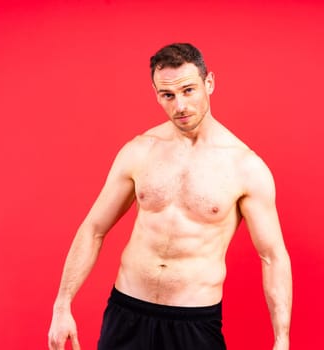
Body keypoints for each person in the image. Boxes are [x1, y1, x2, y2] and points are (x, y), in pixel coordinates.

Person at [48, 43, 292, 350]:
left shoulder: (245, 167)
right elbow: (94, 229)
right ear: (156, 93)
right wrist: (62, 304)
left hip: (193, 323)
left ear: (210, 83)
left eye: (189, 90)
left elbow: (272, 256)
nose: (180, 105)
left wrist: (281, 340)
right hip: (127, 312)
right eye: (168, 95)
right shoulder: (140, 150)